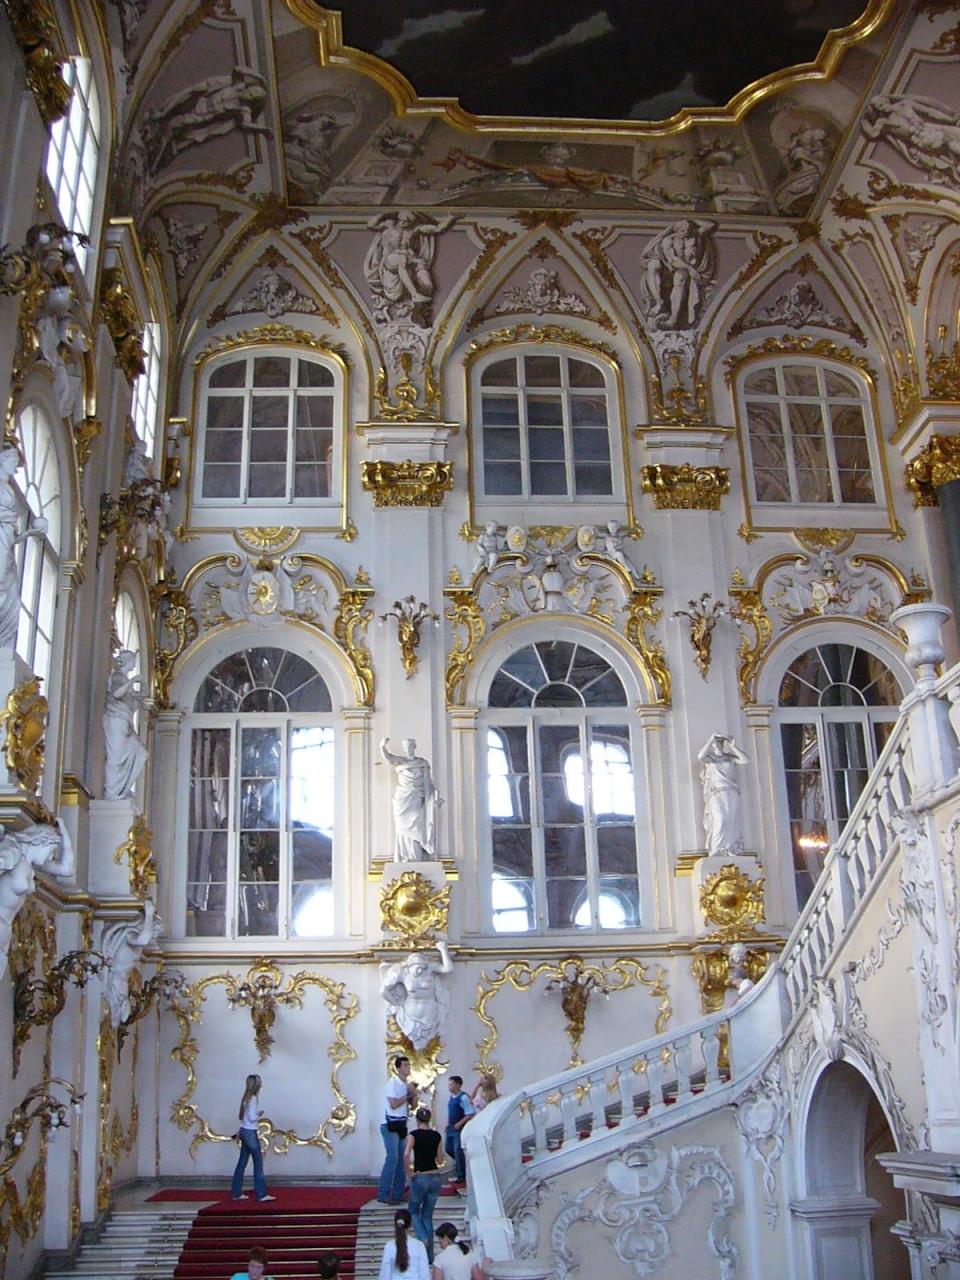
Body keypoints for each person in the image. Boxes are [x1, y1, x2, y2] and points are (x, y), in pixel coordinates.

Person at [381, 738, 444, 861]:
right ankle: (403, 856)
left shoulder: (422, 763)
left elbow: (428, 783)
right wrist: (382, 747)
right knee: (401, 827)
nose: (408, 748)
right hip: (402, 799)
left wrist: (434, 799)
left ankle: (415, 856)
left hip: (417, 798)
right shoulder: (401, 761)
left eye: (410, 746)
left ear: (414, 746)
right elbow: (388, 758)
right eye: (406, 746)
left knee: (417, 827)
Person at [380, 942, 453, 1050]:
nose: (420, 971)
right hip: (410, 1016)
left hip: (430, 1013)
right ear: (410, 966)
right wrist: (395, 1003)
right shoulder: (402, 972)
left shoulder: (429, 969)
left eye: (422, 968)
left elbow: (448, 969)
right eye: (417, 968)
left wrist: (443, 950)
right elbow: (384, 990)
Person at [102, 649, 149, 799]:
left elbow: (131, 707)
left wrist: (139, 697)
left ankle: (123, 789)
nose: (134, 664)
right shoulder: (117, 676)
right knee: (115, 757)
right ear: (128, 661)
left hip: (125, 721)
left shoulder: (125, 683)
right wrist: (132, 681)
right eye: (133, 661)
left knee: (141, 753)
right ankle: (112, 792)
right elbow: (116, 694)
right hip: (116, 720)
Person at [698, 733, 749, 857]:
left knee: (732, 820)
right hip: (716, 793)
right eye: (716, 743)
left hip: (731, 791)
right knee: (720, 819)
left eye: (720, 742)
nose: (718, 745)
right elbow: (700, 756)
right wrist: (710, 739)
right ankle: (717, 848)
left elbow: (745, 760)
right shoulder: (710, 758)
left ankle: (731, 848)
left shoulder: (730, 757)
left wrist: (733, 747)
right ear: (713, 745)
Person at [406, 1106, 445, 1262]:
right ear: (429, 1119)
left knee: (413, 1211)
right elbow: (440, 1159)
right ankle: (429, 1257)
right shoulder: (437, 1135)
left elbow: (406, 1154)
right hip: (435, 1177)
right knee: (427, 1216)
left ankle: (423, 1238)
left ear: (417, 1120)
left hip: (420, 1176)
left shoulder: (413, 1135)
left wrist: (408, 1171)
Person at [231, 1074, 275, 1203]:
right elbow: (251, 1118)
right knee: (258, 1163)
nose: (261, 1084)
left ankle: (236, 1192)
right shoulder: (254, 1098)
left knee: (242, 1163)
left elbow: (243, 1117)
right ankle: (261, 1194)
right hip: (250, 1132)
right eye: (259, 1082)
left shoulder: (246, 1097)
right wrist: (259, 1115)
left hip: (244, 1131)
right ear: (256, 1085)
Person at [379, 1055, 417, 1204]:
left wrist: (413, 1093)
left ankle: (398, 1193)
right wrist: (407, 1095)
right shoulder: (393, 1083)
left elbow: (413, 1106)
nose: (408, 1068)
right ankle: (383, 1193)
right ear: (398, 1068)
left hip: (401, 1124)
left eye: (409, 1065)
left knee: (402, 1159)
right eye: (405, 1065)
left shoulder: (406, 1085)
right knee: (392, 1158)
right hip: (389, 1124)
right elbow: (394, 1104)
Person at [378, 1208, 430, 1280]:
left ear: (395, 1224)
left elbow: (385, 1274)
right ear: (410, 1225)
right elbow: (425, 1274)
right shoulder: (419, 1245)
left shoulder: (389, 1246)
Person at [444, 1076, 475, 1188]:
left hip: (458, 1128)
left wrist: (460, 1123)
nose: (449, 1086)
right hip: (451, 1127)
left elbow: (470, 1113)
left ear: (458, 1085)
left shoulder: (463, 1098)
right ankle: (460, 1164)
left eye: (451, 1084)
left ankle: (461, 1175)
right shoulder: (452, 1097)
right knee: (448, 1149)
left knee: (458, 1150)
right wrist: (447, 1123)